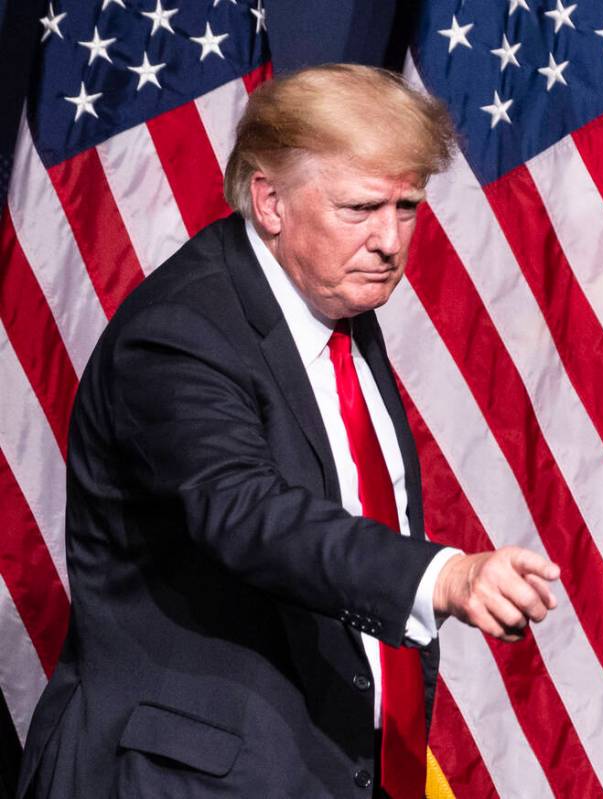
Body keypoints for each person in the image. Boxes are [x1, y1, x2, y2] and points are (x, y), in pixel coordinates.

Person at [17, 64, 560, 799]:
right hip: (179, 778)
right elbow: (248, 513)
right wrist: (442, 575)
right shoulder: (182, 332)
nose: (390, 240)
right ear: (269, 200)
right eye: (361, 206)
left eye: (407, 206)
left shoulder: (335, 304)